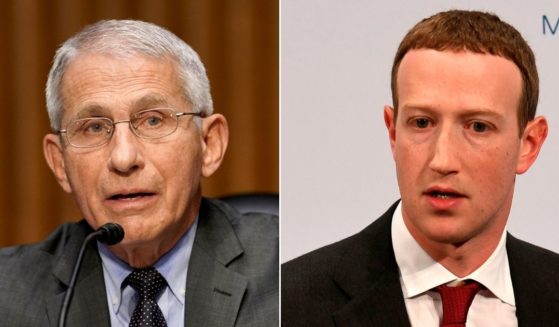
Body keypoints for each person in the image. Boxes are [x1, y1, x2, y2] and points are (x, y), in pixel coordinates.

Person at [282, 9, 559, 326]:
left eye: (478, 127)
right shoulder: (291, 303)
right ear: (393, 132)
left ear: (529, 144)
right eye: (422, 123)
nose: (442, 160)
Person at [0, 20, 278, 326]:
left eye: (153, 121)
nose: (123, 158)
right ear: (59, 163)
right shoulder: (7, 297)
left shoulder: (287, 271)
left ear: (209, 144)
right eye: (94, 127)